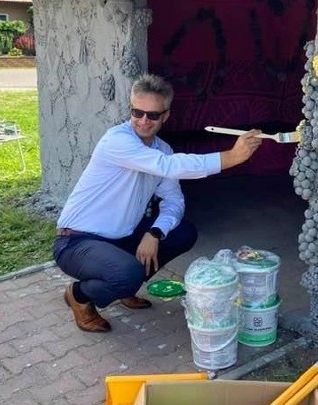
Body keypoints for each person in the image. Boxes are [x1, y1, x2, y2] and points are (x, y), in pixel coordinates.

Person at [53, 74, 263, 332]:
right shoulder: (117, 140)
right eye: (136, 112)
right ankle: (79, 295)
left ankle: (124, 285)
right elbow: (166, 166)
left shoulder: (162, 149)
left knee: (183, 232)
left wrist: (154, 232)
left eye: (152, 115)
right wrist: (230, 157)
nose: (143, 120)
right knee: (126, 274)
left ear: (166, 116)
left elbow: (174, 200)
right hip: (77, 241)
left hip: (121, 237)